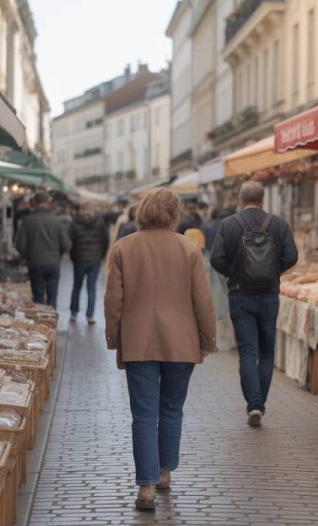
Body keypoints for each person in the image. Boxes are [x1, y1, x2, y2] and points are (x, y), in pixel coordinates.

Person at [104, 188, 216, 512]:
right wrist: (208, 339)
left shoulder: (123, 248)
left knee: (143, 415)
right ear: (174, 214)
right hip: (182, 342)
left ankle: (146, 488)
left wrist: (114, 337)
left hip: (138, 341)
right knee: (171, 409)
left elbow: (113, 302)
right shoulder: (188, 249)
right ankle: (165, 471)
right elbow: (203, 301)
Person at [210, 181, 298, 428]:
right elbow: (292, 256)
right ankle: (260, 403)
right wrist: (273, 272)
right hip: (269, 295)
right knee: (267, 351)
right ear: (262, 200)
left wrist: (234, 274)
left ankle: (254, 404)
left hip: (240, 295)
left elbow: (216, 258)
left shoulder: (229, 224)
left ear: (240, 199)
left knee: (247, 351)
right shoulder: (278, 224)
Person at [16, 192, 71, 309]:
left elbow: (20, 245)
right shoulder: (57, 220)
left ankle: (40, 324)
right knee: (52, 296)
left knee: (38, 297)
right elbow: (66, 244)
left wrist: (28, 257)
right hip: (53, 263)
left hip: (35, 263)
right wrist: (58, 255)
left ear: (34, 202)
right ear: (48, 202)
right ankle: (51, 323)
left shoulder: (28, 220)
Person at [68, 203, 109, 324]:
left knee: (77, 286)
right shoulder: (100, 222)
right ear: (92, 210)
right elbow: (105, 240)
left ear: (81, 210)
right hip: (95, 260)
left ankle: (74, 313)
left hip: (79, 259)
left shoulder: (75, 222)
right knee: (92, 288)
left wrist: (73, 256)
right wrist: (101, 255)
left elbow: (70, 241)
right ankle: (90, 316)